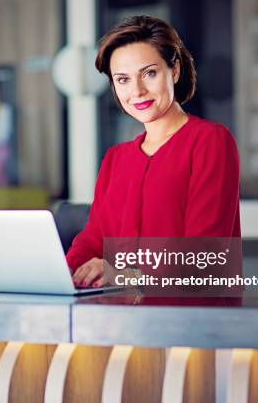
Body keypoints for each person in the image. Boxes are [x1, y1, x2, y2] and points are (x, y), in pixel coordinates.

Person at [68, 15, 241, 288]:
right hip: (118, 315)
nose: (136, 91)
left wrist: (124, 277)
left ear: (174, 70)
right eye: (122, 79)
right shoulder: (116, 159)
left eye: (149, 73)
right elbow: (93, 239)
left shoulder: (211, 141)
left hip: (189, 317)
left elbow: (205, 253)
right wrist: (63, 273)